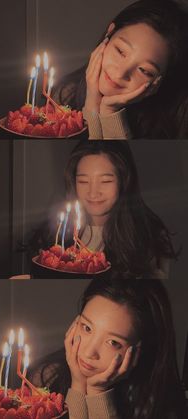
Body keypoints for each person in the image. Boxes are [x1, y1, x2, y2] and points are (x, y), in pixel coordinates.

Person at [29, 277, 187, 419]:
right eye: (87, 328)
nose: (89, 352)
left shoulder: (160, 405)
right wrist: (78, 384)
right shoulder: (46, 379)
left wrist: (97, 392)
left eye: (113, 342)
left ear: (140, 350)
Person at [27, 141, 177, 279]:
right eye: (83, 181)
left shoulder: (148, 236)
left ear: (123, 181)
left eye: (105, 181)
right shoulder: (52, 233)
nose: (93, 193)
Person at [54, 0, 188, 139]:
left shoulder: (178, 122)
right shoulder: (64, 96)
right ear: (110, 33)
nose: (120, 74)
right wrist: (91, 102)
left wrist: (110, 112)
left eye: (144, 70)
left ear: (160, 81)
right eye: (120, 51)